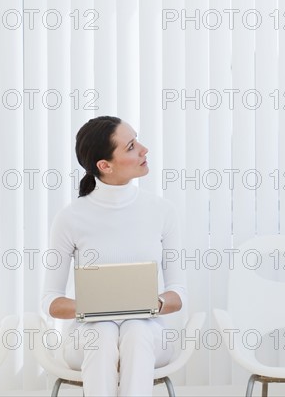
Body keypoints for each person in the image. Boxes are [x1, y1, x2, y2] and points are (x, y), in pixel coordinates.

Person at [41, 116, 186, 397]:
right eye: (131, 146)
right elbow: (51, 301)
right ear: (105, 166)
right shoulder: (71, 218)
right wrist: (98, 307)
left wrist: (150, 304)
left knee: (136, 328)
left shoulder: (162, 211)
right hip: (87, 337)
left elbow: (178, 293)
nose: (144, 150)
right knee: (103, 330)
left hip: (150, 335)